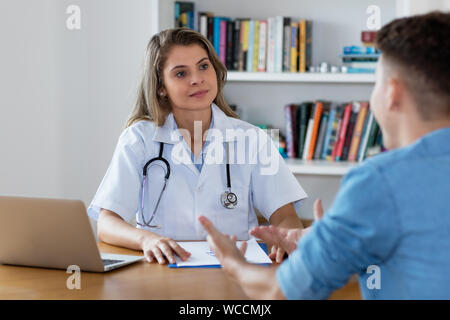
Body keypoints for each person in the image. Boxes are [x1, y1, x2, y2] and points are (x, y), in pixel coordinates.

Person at [199, 11, 450, 299]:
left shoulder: (381, 181)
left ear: (392, 92)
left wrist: (233, 262)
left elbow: (278, 291)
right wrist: (329, 245)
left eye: (375, 83)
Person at [88, 28, 307, 265]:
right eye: (181, 73)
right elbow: (107, 222)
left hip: (237, 269)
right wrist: (146, 240)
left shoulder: (252, 139)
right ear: (161, 86)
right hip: (162, 270)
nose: (197, 79)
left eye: (203, 66)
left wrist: (284, 238)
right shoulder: (139, 138)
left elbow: (285, 216)